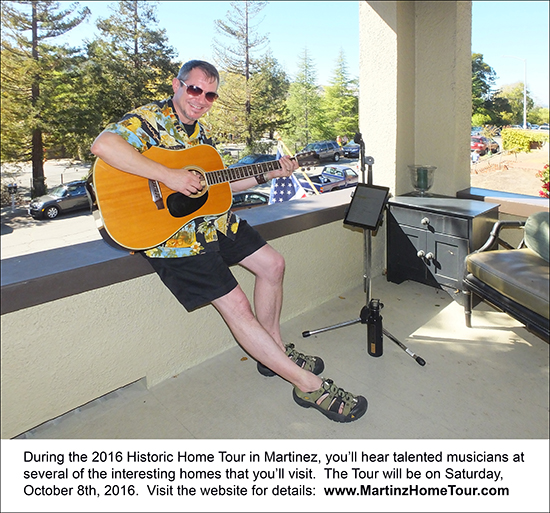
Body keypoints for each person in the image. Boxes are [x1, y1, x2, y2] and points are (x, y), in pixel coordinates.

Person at [90, 59, 367, 423]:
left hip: (211, 222)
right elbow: (104, 145)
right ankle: (308, 385)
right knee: (236, 305)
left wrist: (268, 172)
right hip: (172, 238)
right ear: (177, 85)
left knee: (273, 265)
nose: (201, 98)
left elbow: (222, 185)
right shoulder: (148, 120)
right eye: (194, 89)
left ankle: (275, 353)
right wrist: (168, 175)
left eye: (210, 94)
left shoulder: (201, 138)